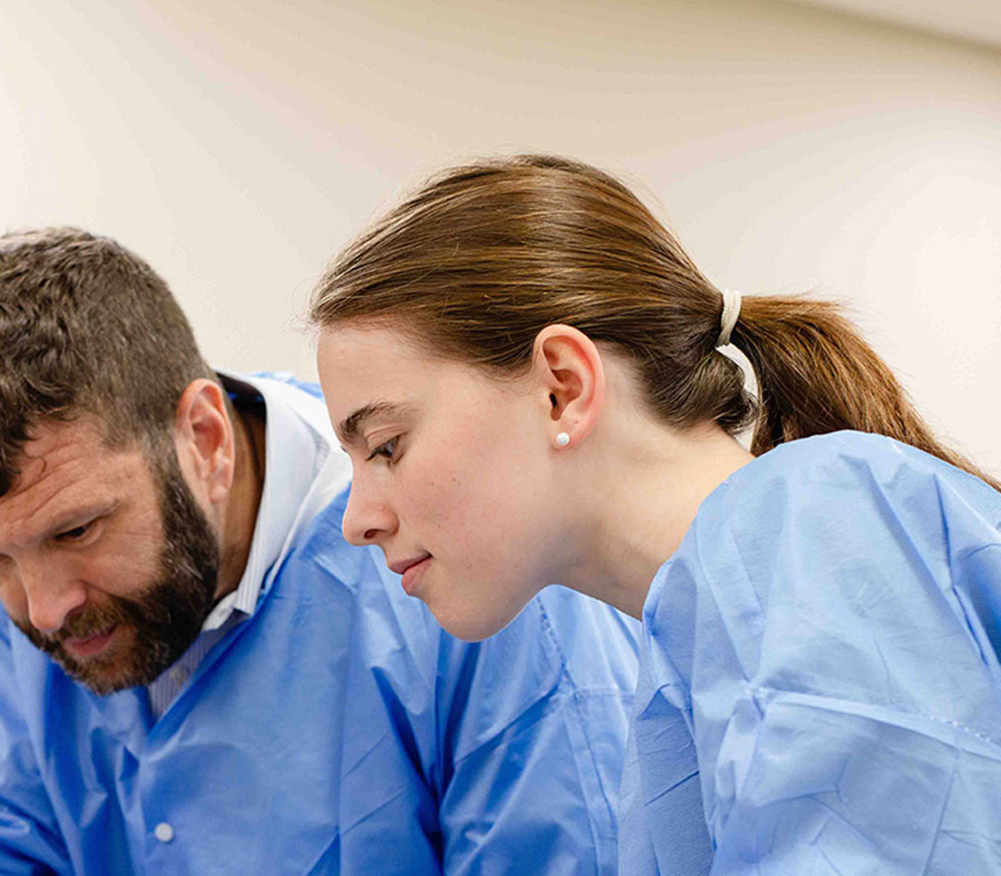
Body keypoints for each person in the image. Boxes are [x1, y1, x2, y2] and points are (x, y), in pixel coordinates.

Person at [310, 154, 1001, 875]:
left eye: (386, 446)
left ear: (563, 388)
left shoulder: (805, 536)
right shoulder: (695, 646)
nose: (356, 521)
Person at [0, 227, 640, 875]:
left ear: (204, 440)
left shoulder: (467, 570)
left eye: (80, 532)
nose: (46, 606)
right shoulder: (20, 539)